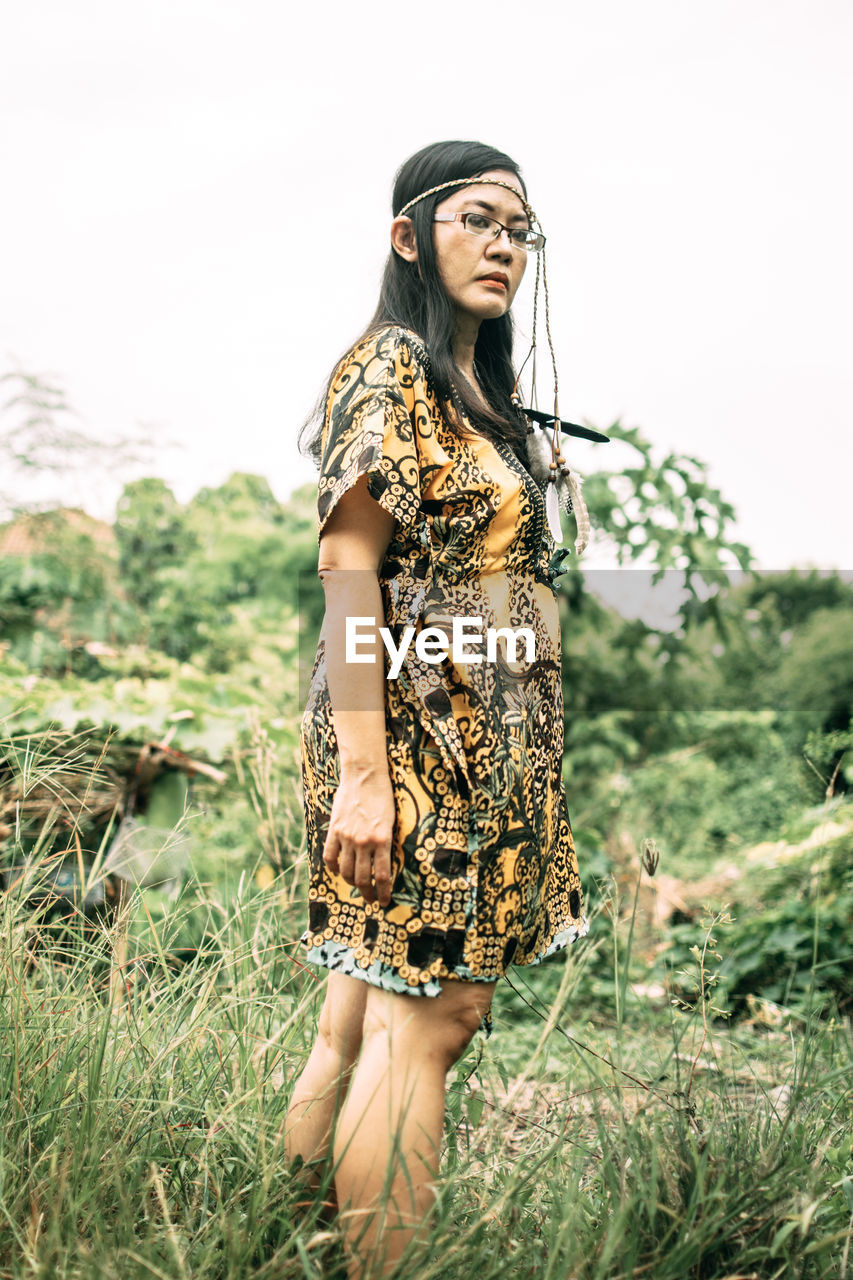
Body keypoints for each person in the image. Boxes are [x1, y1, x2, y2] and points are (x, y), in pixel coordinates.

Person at [287, 140, 589, 1278]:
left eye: (521, 226)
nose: (504, 241)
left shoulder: (474, 391)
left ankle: (291, 1238)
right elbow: (351, 569)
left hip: (480, 737)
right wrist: (367, 780)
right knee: (434, 1018)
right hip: (416, 742)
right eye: (477, 217)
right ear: (410, 236)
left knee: (360, 1014)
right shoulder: (390, 371)